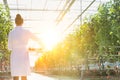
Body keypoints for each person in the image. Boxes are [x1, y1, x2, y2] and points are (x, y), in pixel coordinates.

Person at [8, 14, 44, 80]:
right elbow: (37, 39)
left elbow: (9, 47)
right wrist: (42, 46)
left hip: (15, 55)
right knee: (24, 75)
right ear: (22, 22)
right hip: (24, 54)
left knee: (15, 76)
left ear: (15, 22)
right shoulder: (27, 31)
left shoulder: (11, 33)